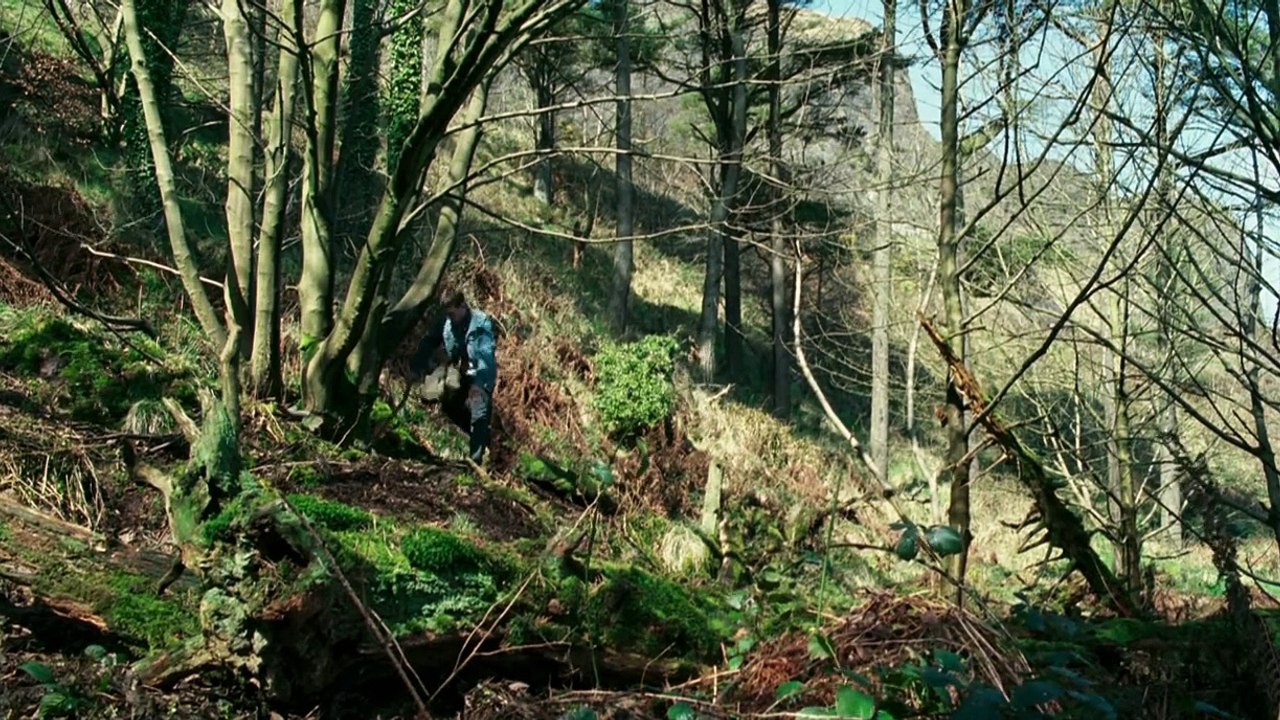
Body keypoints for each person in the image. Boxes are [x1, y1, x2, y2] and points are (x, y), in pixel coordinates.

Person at [412, 290, 498, 464]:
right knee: (445, 402)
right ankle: (482, 438)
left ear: (462, 306)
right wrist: (417, 366)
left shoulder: (480, 324)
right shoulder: (447, 322)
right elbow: (429, 341)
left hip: (479, 373)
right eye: (447, 314)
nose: (450, 318)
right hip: (458, 371)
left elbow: (485, 358)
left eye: (452, 313)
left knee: (479, 408)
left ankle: (475, 460)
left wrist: (478, 385)